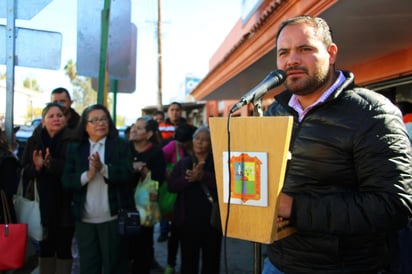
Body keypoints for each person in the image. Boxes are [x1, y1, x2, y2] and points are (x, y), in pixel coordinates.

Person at [262, 15, 412, 273]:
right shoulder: (275, 110)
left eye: (305, 49)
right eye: (283, 52)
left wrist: (295, 208)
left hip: (346, 267)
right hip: (278, 262)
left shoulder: (372, 112)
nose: (292, 60)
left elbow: (394, 205)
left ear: (331, 53)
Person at [62, 104, 134, 274]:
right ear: (85, 126)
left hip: (112, 217)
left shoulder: (120, 146)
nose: (100, 123)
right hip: (84, 219)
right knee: (88, 267)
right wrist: (88, 174)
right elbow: (66, 180)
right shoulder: (75, 148)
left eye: (103, 119)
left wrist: (103, 169)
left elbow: (127, 174)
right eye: (94, 120)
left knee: (114, 266)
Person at [20, 102, 75, 274]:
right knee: (45, 246)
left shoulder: (73, 141)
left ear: (65, 119)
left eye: (59, 115)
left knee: (64, 247)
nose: (56, 119)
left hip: (66, 202)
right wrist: (36, 168)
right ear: (43, 121)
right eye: (51, 116)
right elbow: (23, 170)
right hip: (41, 202)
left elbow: (75, 170)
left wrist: (52, 164)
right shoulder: (34, 141)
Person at [168, 126, 222, 274]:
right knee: (188, 261)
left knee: (211, 262)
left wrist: (202, 176)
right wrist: (189, 179)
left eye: (204, 140)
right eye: (197, 139)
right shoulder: (184, 163)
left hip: (212, 222)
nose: (199, 142)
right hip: (187, 222)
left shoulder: (217, 162)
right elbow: (172, 186)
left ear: (211, 143)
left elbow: (225, 185)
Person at [128, 116, 166, 274]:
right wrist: (130, 166)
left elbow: (159, 177)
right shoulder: (124, 148)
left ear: (149, 134)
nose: (134, 130)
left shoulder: (156, 152)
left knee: (144, 244)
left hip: (145, 207)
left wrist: (144, 171)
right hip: (125, 203)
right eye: (134, 126)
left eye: (139, 128)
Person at [162, 123, 197, 274]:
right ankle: (171, 264)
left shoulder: (197, 147)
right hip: (176, 198)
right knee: (175, 234)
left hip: (193, 199)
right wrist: (167, 173)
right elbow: (159, 158)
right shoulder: (173, 146)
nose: (182, 145)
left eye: (185, 142)